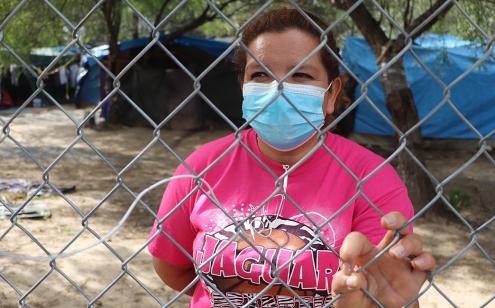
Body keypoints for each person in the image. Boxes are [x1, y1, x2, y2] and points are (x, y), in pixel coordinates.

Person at [148, 7, 435, 308]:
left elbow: (385, 284)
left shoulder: (372, 178)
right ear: (244, 88)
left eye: (301, 75)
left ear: (331, 95)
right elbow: (173, 268)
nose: (279, 90)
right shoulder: (201, 168)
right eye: (260, 74)